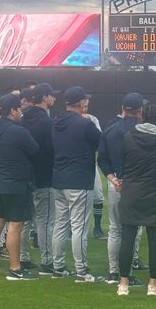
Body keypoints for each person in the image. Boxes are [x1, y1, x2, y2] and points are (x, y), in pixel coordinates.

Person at [0, 94, 40, 280]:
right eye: (19, 109)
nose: (21, 112)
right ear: (13, 110)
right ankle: (15, 269)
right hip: (16, 183)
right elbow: (35, 150)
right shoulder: (17, 131)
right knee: (14, 226)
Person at [116, 104, 156, 296]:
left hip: (131, 191)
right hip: (154, 192)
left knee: (128, 237)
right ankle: (153, 283)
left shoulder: (128, 137)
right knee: (154, 238)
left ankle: (123, 283)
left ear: (141, 116)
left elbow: (121, 164)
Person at [51, 87, 102, 282]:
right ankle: (81, 271)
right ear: (80, 103)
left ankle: (58, 267)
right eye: (85, 100)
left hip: (59, 179)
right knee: (79, 227)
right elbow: (101, 143)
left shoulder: (55, 122)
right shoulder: (85, 123)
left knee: (60, 225)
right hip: (79, 180)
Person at [98, 93, 147, 286]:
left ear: (123, 109)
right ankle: (127, 272)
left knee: (115, 229)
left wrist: (112, 178)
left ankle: (113, 272)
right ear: (140, 110)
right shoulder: (144, 131)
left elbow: (102, 159)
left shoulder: (111, 130)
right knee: (133, 229)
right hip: (137, 185)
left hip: (116, 184)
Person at [22, 83, 58, 275]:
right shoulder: (47, 122)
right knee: (45, 221)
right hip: (44, 175)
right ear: (44, 98)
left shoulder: (21, 118)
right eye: (52, 96)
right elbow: (52, 150)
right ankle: (47, 261)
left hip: (23, 176)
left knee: (25, 220)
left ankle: (23, 257)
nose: (54, 99)